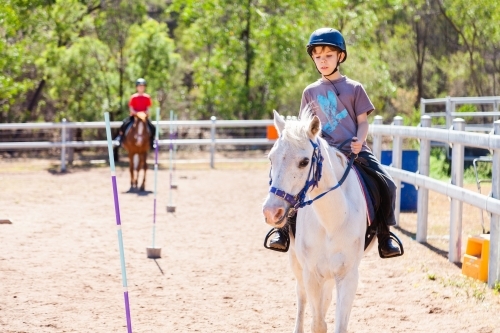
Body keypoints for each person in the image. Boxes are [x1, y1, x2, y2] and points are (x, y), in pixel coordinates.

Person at [268, 28, 402, 258]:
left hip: (353, 151)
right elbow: (304, 127)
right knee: (288, 181)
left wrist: (360, 140)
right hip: (322, 154)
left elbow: (362, 122)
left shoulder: (354, 88)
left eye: (328, 56)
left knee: (387, 184)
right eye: (318, 57)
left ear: (340, 56)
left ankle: (384, 234)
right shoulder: (310, 91)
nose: (323, 61)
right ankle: (282, 231)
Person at [115, 78, 155, 150]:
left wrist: (144, 114)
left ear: (144, 87)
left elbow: (148, 108)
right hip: (134, 117)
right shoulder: (133, 97)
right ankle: (120, 139)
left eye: (142, 86)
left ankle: (152, 142)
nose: (141, 88)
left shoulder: (147, 97)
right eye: (139, 86)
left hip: (144, 118)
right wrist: (137, 114)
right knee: (124, 124)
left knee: (152, 127)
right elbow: (131, 108)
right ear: (136, 87)